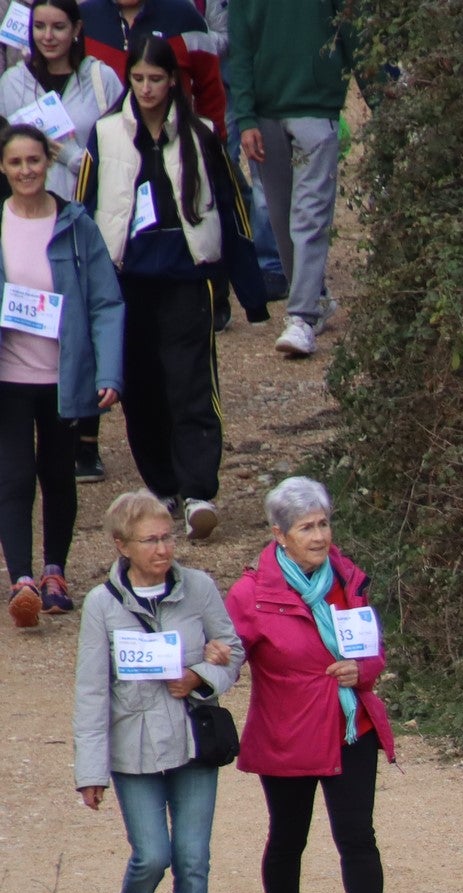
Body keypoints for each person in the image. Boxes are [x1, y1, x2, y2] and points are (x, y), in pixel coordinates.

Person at [79, 31, 266, 541]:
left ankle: (199, 489)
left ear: (173, 81)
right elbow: (88, 205)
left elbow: (231, 207)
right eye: (137, 79)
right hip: (129, 279)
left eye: (156, 79)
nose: (146, 89)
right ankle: (161, 485)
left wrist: (251, 291)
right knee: (139, 386)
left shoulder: (201, 133)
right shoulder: (107, 134)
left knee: (191, 381)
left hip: (188, 276)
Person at [225, 475, 408, 893]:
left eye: (324, 523)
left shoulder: (349, 579)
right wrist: (202, 673)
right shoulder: (251, 593)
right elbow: (229, 657)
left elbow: (373, 649)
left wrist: (362, 670)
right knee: (288, 836)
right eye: (306, 526)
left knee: (357, 835)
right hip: (287, 730)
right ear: (279, 534)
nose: (320, 535)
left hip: (352, 725)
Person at [72, 487, 237, 893]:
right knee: (152, 856)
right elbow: (92, 688)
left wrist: (201, 674)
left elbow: (233, 648)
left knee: (192, 858)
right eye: (150, 541)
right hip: (133, 749)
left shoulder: (200, 587)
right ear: (123, 546)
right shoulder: (102, 604)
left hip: (192, 742)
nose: (163, 550)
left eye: (167, 537)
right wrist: (91, 771)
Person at [0, 121, 117, 626]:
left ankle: (55, 573)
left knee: (58, 473)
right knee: (14, 476)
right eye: (15, 162)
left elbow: (105, 302)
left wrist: (109, 369)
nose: (26, 170)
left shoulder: (76, 223)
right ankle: (21, 579)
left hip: (64, 376)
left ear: (48, 162)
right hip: (9, 375)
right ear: (3, 168)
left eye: (34, 160)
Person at [223, 0, 347, 357]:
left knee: (309, 214)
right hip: (265, 113)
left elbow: (353, 30)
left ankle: (301, 317)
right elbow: (240, 48)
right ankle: (311, 300)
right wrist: (245, 118)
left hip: (315, 105)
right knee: (281, 215)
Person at [0, 2, 123, 205]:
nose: (47, 36)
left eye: (58, 27)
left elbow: (123, 157)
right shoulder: (11, 82)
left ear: (76, 28)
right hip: (26, 216)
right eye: (39, 26)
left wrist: (75, 159)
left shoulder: (101, 78)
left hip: (90, 212)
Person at [77, 0, 226, 136]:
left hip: (174, 145)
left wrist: (215, 146)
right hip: (103, 145)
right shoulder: (84, 18)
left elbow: (210, 93)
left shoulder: (185, 17)